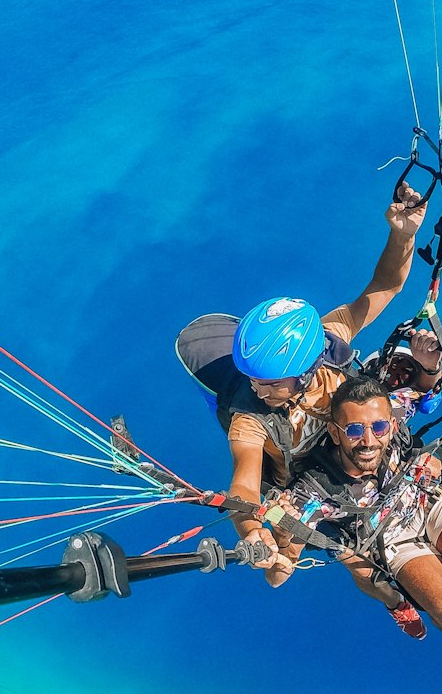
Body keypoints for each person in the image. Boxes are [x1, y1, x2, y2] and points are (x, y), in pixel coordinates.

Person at [176, 186, 427, 578]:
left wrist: (403, 234)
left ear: (307, 370)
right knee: (317, 566)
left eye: (270, 383)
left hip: (357, 446)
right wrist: (251, 528)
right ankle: (393, 600)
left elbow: (383, 287)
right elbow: (243, 482)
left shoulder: (329, 343)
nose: (258, 391)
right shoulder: (250, 418)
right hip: (304, 486)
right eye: (252, 380)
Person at [265, 375, 442, 665]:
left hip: (428, 504)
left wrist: (430, 363)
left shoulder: (395, 411)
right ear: (334, 434)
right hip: (392, 540)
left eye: (378, 427)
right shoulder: (313, 491)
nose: (368, 441)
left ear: (392, 424)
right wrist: (282, 531)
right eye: (353, 430)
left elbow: (427, 388)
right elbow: (277, 576)